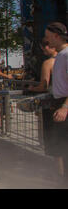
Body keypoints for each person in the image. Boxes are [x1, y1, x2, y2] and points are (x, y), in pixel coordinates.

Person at [43, 22, 68, 181]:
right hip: (59, 103)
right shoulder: (60, 55)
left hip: (64, 106)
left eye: (48, 37)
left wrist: (65, 107)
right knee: (62, 148)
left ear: (56, 36)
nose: (46, 40)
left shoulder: (66, 55)